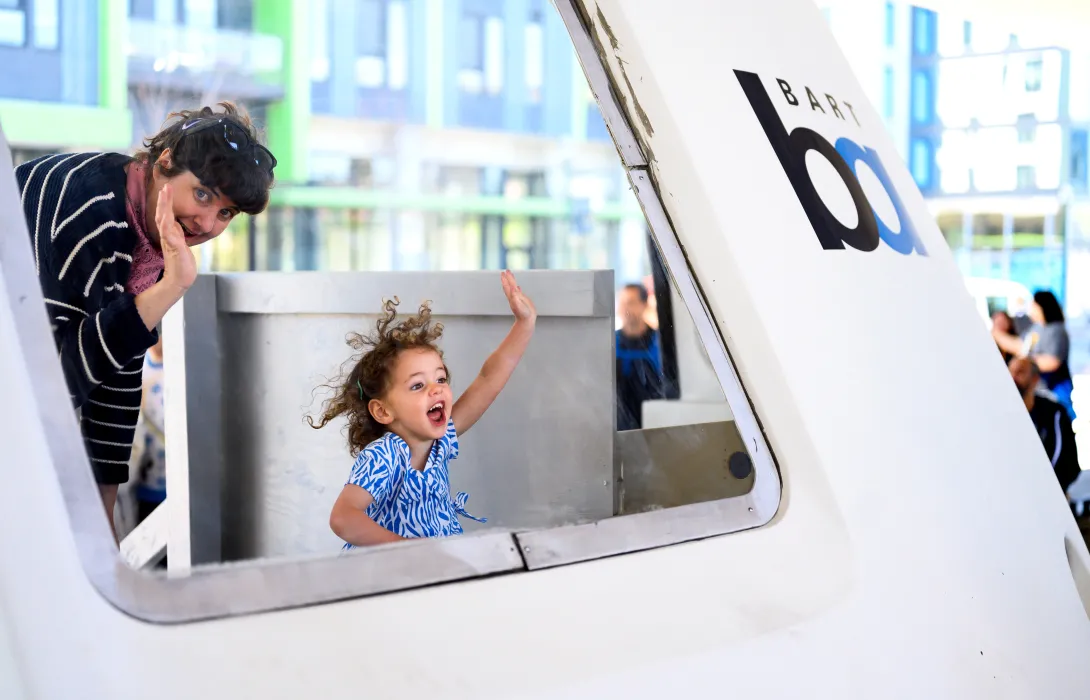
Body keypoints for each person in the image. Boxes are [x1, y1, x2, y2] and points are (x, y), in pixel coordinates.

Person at [14, 102, 276, 541]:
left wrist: (105, 520)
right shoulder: (93, 214)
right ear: (164, 163)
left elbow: (118, 369)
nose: (207, 223)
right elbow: (49, 390)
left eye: (227, 213)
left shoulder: (147, 224)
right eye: (204, 194)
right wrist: (172, 286)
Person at [313, 271, 536, 548]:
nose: (436, 389)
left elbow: (487, 380)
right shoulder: (385, 455)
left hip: (434, 570)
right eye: (418, 386)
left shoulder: (441, 440)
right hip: (390, 579)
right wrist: (407, 552)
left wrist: (524, 324)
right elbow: (343, 518)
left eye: (440, 379)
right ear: (382, 411)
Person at [994, 290, 1075, 421]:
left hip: (1056, 391)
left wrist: (1027, 364)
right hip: (1038, 392)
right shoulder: (1036, 328)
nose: (1031, 309)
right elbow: (1021, 346)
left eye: (1034, 305)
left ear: (1043, 306)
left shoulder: (1056, 330)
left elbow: (1052, 361)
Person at [1009, 357, 1081, 496]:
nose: (1013, 377)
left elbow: (1065, 460)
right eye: (1010, 371)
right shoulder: (999, 414)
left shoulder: (1053, 413)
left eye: (1020, 372)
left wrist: (1044, 488)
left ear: (1035, 379)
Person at [615, 282, 664, 431]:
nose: (624, 309)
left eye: (630, 303)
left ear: (644, 305)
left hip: (655, 428)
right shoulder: (608, 343)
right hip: (618, 430)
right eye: (621, 303)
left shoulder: (660, 344)